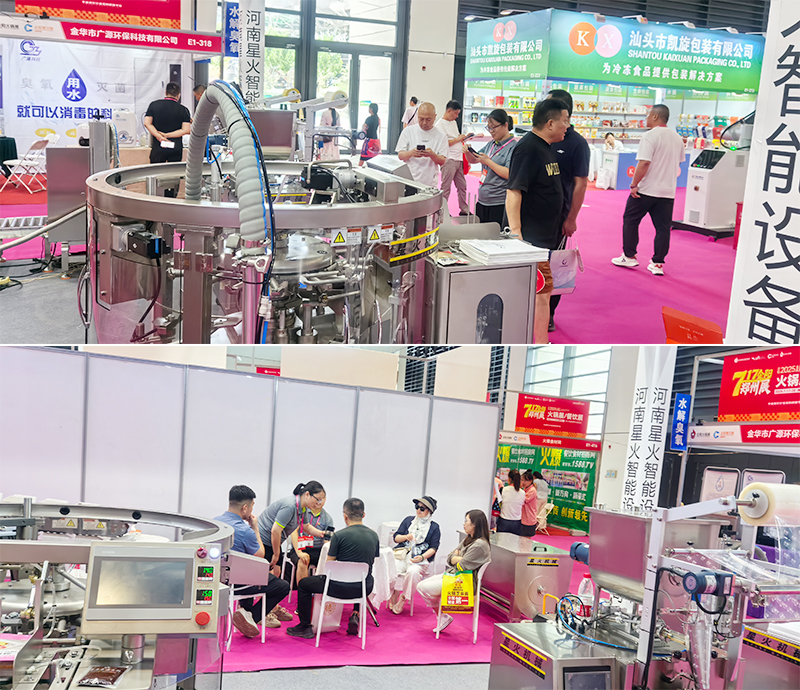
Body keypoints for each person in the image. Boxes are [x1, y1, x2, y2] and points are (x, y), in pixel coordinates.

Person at [505, 98, 570, 344]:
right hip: (531, 240)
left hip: (546, 237)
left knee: (541, 292)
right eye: (565, 121)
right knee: (542, 293)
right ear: (550, 123)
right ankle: (541, 342)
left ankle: (537, 339)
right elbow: (514, 191)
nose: (568, 126)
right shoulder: (528, 149)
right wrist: (516, 234)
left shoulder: (545, 148)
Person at [286, 497, 380, 639]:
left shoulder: (339, 536)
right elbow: (372, 561)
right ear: (363, 514)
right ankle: (355, 613)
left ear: (345, 516)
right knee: (363, 575)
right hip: (363, 587)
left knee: (304, 584)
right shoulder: (374, 535)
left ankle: (304, 626)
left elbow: (329, 566)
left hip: (336, 587)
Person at [611, 104, 685, 276]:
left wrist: (634, 184)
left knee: (630, 220)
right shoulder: (677, 138)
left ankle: (629, 255)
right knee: (663, 228)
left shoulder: (650, 136)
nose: (646, 118)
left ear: (655, 116)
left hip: (646, 189)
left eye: (648, 115)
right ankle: (658, 263)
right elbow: (678, 162)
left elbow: (644, 162)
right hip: (667, 191)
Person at [214, 485, 291, 638]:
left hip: (216, 580)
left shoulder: (214, 524)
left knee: (249, 573)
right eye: (252, 506)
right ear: (245, 507)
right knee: (282, 586)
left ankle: (245, 613)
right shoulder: (245, 531)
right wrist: (255, 528)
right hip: (239, 583)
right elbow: (260, 555)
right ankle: (251, 616)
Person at [546, 90, 590, 334]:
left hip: (559, 217)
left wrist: (571, 218)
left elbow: (581, 184)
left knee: (554, 267)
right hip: (533, 216)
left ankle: (549, 313)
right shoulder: (542, 138)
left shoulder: (577, 143)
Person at [416, 509, 492, 634]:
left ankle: (442, 616)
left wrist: (456, 557)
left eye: (466, 521)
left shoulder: (479, 545)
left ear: (475, 524)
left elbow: (462, 566)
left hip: (462, 581)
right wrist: (457, 558)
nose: (464, 524)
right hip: (453, 575)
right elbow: (449, 558)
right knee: (421, 586)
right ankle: (442, 616)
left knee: (425, 588)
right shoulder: (469, 539)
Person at [257, 481, 328, 574]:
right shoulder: (290, 506)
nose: (318, 503)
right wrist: (276, 554)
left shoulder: (303, 508)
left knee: (277, 572)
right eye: (318, 499)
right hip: (263, 539)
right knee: (268, 575)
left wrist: (321, 533)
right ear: (307, 494)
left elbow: (306, 526)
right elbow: (275, 531)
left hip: (273, 541)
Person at [463, 109, 517, 226]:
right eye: (488, 128)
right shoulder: (491, 144)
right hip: (482, 200)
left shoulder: (513, 147)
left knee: (494, 234)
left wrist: (488, 162)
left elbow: (509, 173)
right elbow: (474, 159)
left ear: (505, 125)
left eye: (493, 127)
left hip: (498, 202)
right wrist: (468, 152)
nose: (491, 131)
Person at [389, 496, 441, 615]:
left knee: (413, 572)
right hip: (402, 556)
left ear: (429, 511)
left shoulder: (434, 527)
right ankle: (393, 592)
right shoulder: (409, 521)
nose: (418, 510)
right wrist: (405, 537)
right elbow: (396, 537)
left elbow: (434, 548)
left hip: (419, 560)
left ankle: (403, 598)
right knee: (391, 567)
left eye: (422, 508)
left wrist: (422, 557)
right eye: (417, 507)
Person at [395, 102, 448, 187]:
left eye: (428, 119)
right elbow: (400, 155)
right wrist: (411, 153)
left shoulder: (441, 135)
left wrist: (432, 155)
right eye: (421, 119)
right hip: (409, 181)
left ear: (435, 117)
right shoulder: (408, 131)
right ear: (417, 116)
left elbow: (442, 161)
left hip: (430, 183)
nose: (424, 123)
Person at [287, 493, 334, 584]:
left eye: (322, 499)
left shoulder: (328, 519)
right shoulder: (302, 513)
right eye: (318, 499)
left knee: (328, 562)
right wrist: (299, 552)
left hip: (318, 549)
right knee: (303, 560)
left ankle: (320, 591)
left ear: (325, 499)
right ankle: (302, 591)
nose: (319, 502)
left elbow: (327, 542)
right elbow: (293, 532)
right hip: (300, 547)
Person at [435, 100, 470, 216]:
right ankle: (443, 211)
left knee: (462, 186)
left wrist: (463, 138)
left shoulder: (453, 123)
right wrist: (458, 139)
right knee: (446, 187)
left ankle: (464, 209)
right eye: (456, 113)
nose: (457, 116)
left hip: (459, 158)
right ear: (449, 111)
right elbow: (444, 143)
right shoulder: (439, 125)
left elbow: (456, 138)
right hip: (449, 159)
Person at [144, 82, 191, 166]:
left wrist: (160, 136)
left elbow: (147, 123)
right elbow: (186, 130)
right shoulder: (183, 110)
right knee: (173, 172)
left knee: (156, 172)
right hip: (175, 149)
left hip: (158, 147)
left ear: (166, 93)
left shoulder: (153, 105)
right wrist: (167, 135)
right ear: (178, 95)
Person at [497, 469, 525, 535]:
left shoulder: (503, 490)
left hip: (504, 521)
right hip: (517, 522)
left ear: (509, 479)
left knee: (501, 540)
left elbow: (498, 502)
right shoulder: (522, 493)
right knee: (515, 541)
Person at [359, 103, 381, 167]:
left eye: (369, 108)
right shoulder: (378, 119)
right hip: (375, 139)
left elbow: (364, 126)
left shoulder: (369, 119)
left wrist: (364, 131)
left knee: (363, 156)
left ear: (371, 109)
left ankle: (358, 168)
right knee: (374, 156)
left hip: (369, 140)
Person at [520, 470, 539, 537]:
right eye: (522, 480)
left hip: (529, 519)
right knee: (521, 539)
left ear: (530, 481)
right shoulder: (525, 489)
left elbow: (523, 500)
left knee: (526, 540)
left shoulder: (532, 490)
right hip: (523, 518)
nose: (523, 482)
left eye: (525, 480)